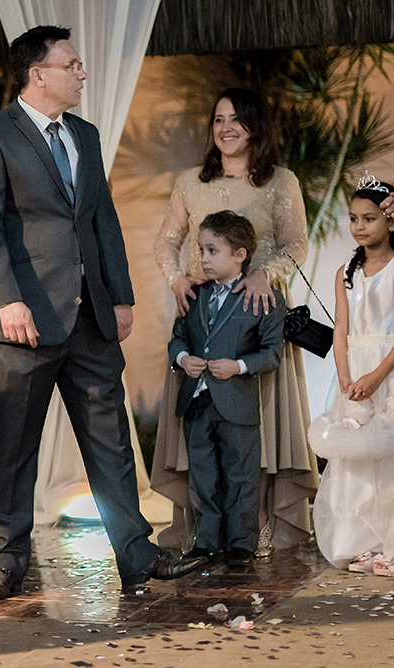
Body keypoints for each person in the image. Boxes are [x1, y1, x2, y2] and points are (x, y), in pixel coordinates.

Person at [0, 24, 201, 597]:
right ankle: (6, 558)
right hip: (22, 319)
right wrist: (8, 299)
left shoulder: (85, 135)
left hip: (90, 316)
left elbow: (101, 220)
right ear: (38, 74)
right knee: (14, 446)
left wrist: (120, 296)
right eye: (71, 65)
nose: (82, 73)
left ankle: (136, 553)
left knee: (111, 440)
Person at [152, 88, 316, 558]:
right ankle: (204, 530)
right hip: (201, 314)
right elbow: (167, 242)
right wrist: (176, 279)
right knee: (201, 429)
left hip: (258, 313)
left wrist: (267, 273)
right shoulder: (190, 182)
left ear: (255, 127)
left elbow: (296, 244)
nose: (226, 128)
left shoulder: (281, 181)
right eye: (219, 119)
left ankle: (258, 524)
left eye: (237, 119)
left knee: (258, 427)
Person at [169, 211, 285, 568]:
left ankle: (241, 543)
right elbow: (177, 339)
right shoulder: (194, 295)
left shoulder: (265, 299)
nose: (203, 258)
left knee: (241, 475)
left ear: (240, 255)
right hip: (197, 401)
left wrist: (239, 366)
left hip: (238, 402)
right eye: (200, 250)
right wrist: (183, 358)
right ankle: (206, 542)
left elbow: (272, 353)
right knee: (202, 476)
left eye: (212, 250)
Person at [309, 175, 394, 574]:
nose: (359, 226)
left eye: (369, 218)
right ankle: (363, 542)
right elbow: (341, 329)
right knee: (357, 461)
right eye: (354, 218)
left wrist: (377, 375)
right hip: (355, 373)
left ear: (390, 219)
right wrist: (344, 376)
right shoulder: (346, 272)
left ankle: (391, 543)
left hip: (386, 369)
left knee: (388, 458)